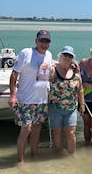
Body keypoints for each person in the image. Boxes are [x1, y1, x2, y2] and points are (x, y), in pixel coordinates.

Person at [8, 30, 53, 164]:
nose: (44, 44)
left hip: (41, 100)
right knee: (26, 129)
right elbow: (14, 74)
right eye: (41, 41)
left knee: (37, 129)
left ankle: (34, 155)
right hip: (25, 100)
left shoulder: (49, 55)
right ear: (36, 41)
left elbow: (43, 76)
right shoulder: (26, 53)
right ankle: (20, 160)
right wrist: (12, 96)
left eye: (47, 41)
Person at [48, 46, 85, 155]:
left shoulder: (76, 74)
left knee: (71, 133)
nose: (67, 57)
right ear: (60, 55)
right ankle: (59, 154)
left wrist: (82, 105)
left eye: (70, 56)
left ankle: (71, 156)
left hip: (71, 108)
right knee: (57, 133)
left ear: (73, 58)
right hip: (55, 108)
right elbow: (43, 80)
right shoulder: (53, 70)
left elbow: (80, 89)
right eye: (65, 55)